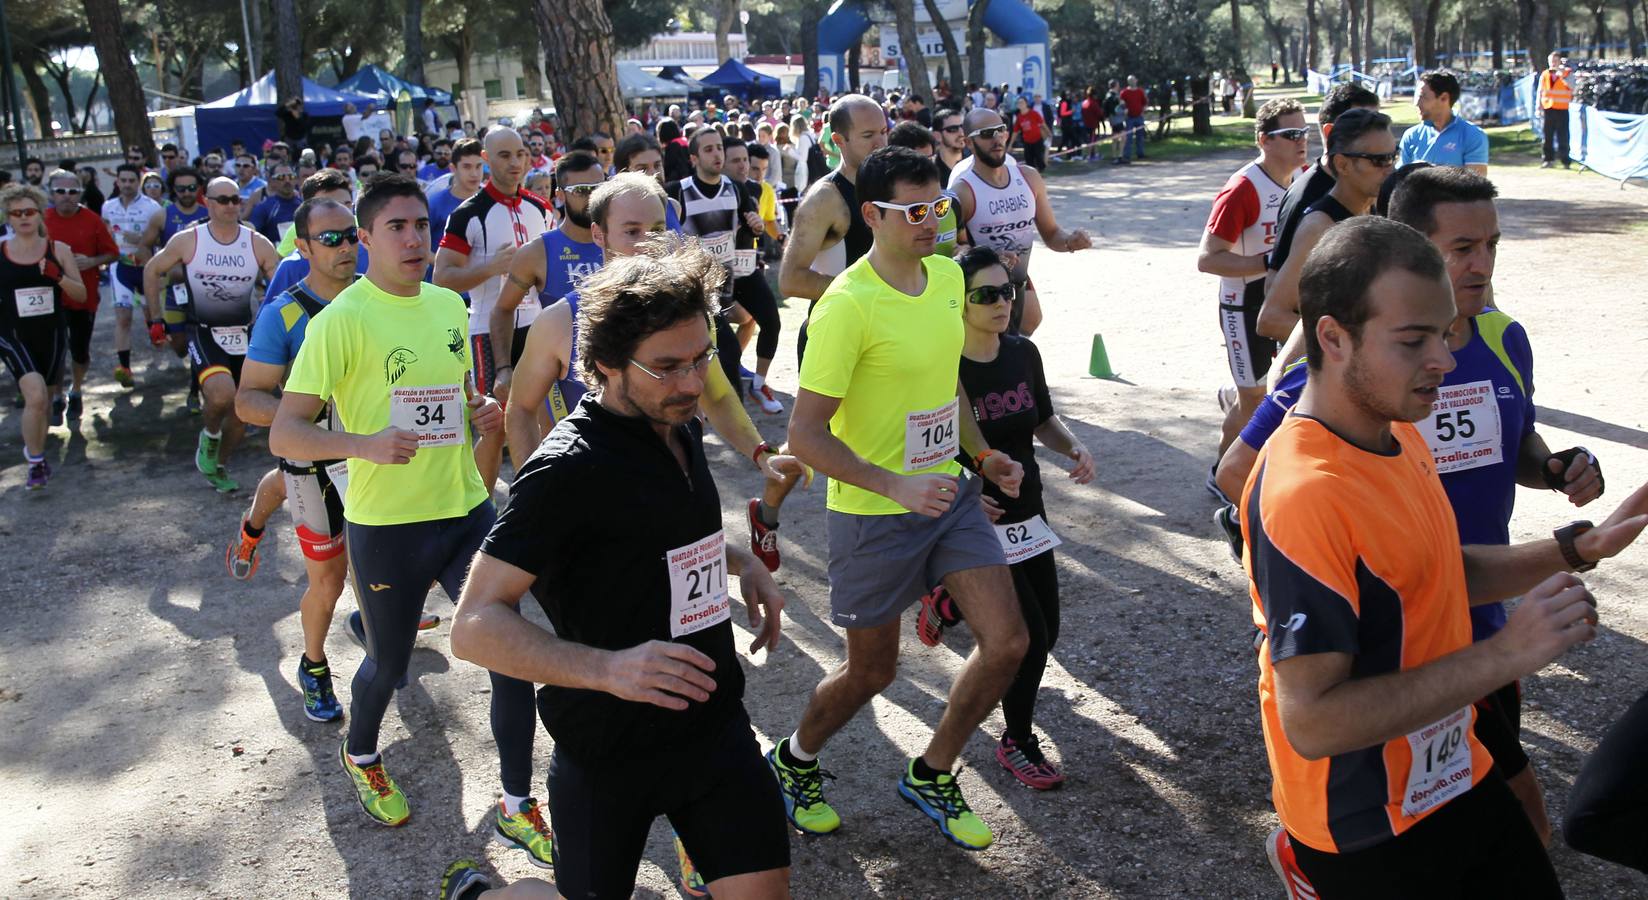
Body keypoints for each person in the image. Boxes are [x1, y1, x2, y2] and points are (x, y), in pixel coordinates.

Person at [1241, 213, 1648, 898]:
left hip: (1454, 764)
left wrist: (1576, 547)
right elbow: (1312, 721)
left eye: (1445, 332)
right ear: (1333, 338)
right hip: (1365, 822)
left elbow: (1433, 574)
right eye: (1414, 340)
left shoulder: (1396, 428)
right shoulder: (1304, 492)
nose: (1446, 359)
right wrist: (1506, 655)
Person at [451, 235, 792, 899]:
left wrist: (737, 558)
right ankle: (485, 894)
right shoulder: (564, 471)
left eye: (701, 359)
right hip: (608, 754)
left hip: (712, 728)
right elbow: (474, 625)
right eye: (668, 366)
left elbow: (654, 535)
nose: (693, 383)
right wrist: (607, 669)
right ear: (604, 364)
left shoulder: (677, 419)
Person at [269, 175, 549, 868]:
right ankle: (361, 752)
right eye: (396, 227)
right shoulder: (341, 321)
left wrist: (480, 410)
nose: (414, 238)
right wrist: (360, 444)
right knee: (388, 665)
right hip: (387, 526)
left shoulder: (449, 306)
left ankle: (517, 805)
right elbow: (285, 432)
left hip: (464, 512)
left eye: (421, 225)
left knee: (512, 658)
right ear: (364, 240)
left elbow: (456, 396)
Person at [770, 145, 1029, 852]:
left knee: (1007, 642)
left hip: (945, 496)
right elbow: (806, 434)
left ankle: (933, 770)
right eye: (914, 211)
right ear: (872, 214)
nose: (931, 221)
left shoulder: (948, 277)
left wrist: (983, 455)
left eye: (939, 205)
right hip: (872, 513)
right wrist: (893, 485)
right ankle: (793, 761)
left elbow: (946, 386)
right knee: (871, 671)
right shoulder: (846, 307)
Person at [914, 245, 1093, 790]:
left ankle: (948, 599)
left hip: (1027, 510)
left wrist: (1072, 448)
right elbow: (927, 448)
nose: (1001, 303)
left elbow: (1041, 420)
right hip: (976, 519)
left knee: (1050, 630)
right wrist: (968, 493)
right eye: (985, 295)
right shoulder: (942, 365)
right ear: (958, 303)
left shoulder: (1022, 353)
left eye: (1007, 291)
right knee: (1028, 638)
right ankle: (1017, 740)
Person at [230, 198, 361, 719]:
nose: (345, 246)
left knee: (377, 565)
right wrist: (309, 415)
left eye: (351, 235)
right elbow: (247, 400)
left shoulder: (380, 300)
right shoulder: (283, 313)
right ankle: (314, 666)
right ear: (302, 247)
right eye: (330, 239)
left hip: (373, 460)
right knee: (328, 582)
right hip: (311, 465)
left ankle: (375, 626)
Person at [753, 94, 889, 573]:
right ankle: (770, 506)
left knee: (889, 434)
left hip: (887, 336)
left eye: (884, 132)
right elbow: (790, 280)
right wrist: (865, 295)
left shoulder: (894, 186)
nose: (880, 143)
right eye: (868, 136)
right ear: (839, 141)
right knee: (825, 441)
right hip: (834, 336)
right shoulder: (826, 198)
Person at [141, 176, 282, 492]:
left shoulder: (257, 243)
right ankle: (210, 435)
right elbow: (152, 269)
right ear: (207, 201)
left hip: (245, 333)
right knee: (221, 394)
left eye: (236, 199)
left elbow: (280, 288)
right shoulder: (188, 240)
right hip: (203, 330)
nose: (231, 206)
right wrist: (156, 318)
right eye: (223, 200)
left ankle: (218, 464)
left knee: (244, 410)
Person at [434, 128, 551, 489]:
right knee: (494, 424)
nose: (515, 162)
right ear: (487, 159)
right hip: (485, 329)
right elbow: (441, 278)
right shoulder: (467, 214)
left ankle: (542, 498)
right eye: (504, 155)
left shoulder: (541, 207)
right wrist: (490, 267)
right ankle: (480, 508)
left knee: (546, 417)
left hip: (538, 324)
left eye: (520, 153)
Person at [1198, 98, 1308, 460]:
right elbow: (1208, 259)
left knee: (1283, 384)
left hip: (1284, 300)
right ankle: (1220, 473)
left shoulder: (1305, 180)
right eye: (1290, 134)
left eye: (1304, 132)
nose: (1301, 140)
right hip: (1243, 305)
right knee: (1254, 401)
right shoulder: (1243, 188)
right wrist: (1270, 260)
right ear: (1264, 140)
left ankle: (1237, 388)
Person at [949, 108, 1092, 336]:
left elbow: (1052, 233)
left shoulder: (1028, 178)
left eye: (1001, 131)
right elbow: (952, 251)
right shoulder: (963, 191)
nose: (996, 139)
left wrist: (1070, 242)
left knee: (1030, 322)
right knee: (999, 349)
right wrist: (990, 257)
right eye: (986, 134)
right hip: (982, 290)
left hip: (1017, 279)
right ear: (968, 142)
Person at [1259, 108, 1394, 342]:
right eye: (1379, 160)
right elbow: (1271, 318)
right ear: (1342, 164)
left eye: (1394, 156)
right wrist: (1358, 343)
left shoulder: (1375, 208)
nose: (1390, 168)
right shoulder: (1320, 226)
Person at [491, 150, 604, 423]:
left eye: (600, 188)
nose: (593, 198)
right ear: (560, 195)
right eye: (582, 190)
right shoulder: (537, 252)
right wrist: (504, 368)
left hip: (617, 374)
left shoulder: (622, 240)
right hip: (562, 386)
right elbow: (502, 310)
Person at [1, 184, 85, 488]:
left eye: (29, 211)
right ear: (8, 217)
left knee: (45, 402)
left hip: (50, 333)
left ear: (39, 214)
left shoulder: (58, 249)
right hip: (12, 333)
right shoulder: (1, 250)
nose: (23, 217)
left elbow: (81, 292)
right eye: (16, 213)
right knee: (34, 395)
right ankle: (35, 463)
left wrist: (57, 276)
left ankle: (35, 450)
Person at [43, 169, 119, 420]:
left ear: (81, 193)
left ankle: (76, 390)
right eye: (60, 192)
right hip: (49, 297)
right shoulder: (41, 220)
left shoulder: (92, 220)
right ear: (51, 194)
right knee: (53, 351)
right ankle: (56, 396)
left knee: (79, 350)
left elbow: (112, 253)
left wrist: (92, 261)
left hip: (82, 296)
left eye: (72, 191)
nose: (67, 196)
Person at [720, 137, 785, 414]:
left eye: (746, 160)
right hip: (715, 276)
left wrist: (771, 232)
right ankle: (720, 394)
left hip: (747, 269)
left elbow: (765, 223)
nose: (745, 166)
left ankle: (758, 384)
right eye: (737, 161)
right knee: (720, 336)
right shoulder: (701, 190)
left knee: (770, 321)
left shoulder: (758, 190)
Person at [101, 163, 164, 390]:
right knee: (123, 317)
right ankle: (124, 367)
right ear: (117, 182)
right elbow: (105, 232)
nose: (127, 185)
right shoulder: (108, 207)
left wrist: (140, 238)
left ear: (139, 182)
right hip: (121, 266)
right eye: (123, 180)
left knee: (149, 310)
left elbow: (159, 241)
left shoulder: (152, 207)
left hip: (146, 267)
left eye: (132, 181)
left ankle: (154, 329)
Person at [1398, 70, 1488, 175]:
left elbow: (1476, 186)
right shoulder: (1411, 135)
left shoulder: (1473, 135)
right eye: (1417, 97)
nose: (1416, 103)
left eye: (1423, 97)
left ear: (1444, 98)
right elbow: (1399, 179)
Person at [428, 138, 484, 248]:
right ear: (453, 168)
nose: (474, 174)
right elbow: (420, 245)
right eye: (467, 167)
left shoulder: (492, 201)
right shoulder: (435, 204)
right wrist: (444, 264)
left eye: (478, 166)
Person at [249, 161, 301, 245]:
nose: (287, 181)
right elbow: (251, 238)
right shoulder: (264, 208)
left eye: (291, 176)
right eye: (281, 177)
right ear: (272, 181)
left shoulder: (304, 205)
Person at [1537, 53, 1573, 169]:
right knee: (1547, 136)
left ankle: (1565, 161)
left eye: (1556, 60)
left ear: (1559, 61)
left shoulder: (1567, 73)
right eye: (1551, 61)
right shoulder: (1545, 74)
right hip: (1548, 108)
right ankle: (1548, 160)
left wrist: (1562, 76)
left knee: (1563, 136)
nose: (1553, 63)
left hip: (1562, 109)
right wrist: (1538, 106)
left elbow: (1573, 87)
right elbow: (1540, 91)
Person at [1007, 97, 1047, 171]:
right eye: (1019, 103)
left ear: (1026, 103)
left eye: (1022, 102)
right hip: (1027, 141)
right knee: (1028, 160)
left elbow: (1042, 124)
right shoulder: (1019, 117)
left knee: (1039, 158)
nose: (1020, 104)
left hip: (1037, 139)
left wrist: (1049, 133)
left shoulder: (1034, 113)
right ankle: (1032, 174)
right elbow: (1015, 132)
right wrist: (1010, 145)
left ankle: (1041, 172)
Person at [1120, 76, 1148, 161]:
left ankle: (1140, 154)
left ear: (1136, 80)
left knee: (1140, 136)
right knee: (1128, 137)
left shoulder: (1140, 91)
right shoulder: (1124, 92)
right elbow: (1121, 103)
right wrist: (1124, 109)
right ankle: (1127, 155)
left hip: (1139, 117)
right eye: (1130, 80)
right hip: (1129, 118)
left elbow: (1144, 102)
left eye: (1133, 80)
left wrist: (1143, 111)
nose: (1132, 81)